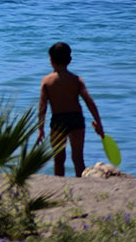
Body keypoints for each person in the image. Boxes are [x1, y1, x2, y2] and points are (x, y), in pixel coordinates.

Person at [35, 42, 105, 177]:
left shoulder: (47, 81)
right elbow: (90, 102)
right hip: (76, 119)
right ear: (70, 60)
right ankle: (82, 184)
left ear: (51, 60)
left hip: (58, 121)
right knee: (78, 158)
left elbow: (42, 107)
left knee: (59, 160)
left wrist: (40, 129)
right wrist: (99, 124)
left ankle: (60, 187)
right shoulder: (76, 80)